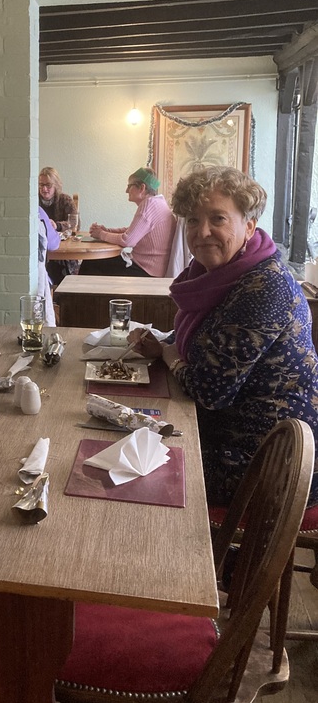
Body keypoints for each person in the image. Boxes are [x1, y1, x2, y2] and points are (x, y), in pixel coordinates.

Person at [132, 166, 318, 508]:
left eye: (218, 219)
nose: (202, 232)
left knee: (135, 472)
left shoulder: (266, 287)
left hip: (266, 461)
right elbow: (209, 339)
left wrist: (168, 355)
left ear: (248, 226)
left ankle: (172, 559)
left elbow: (210, 391)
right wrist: (166, 344)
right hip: (226, 435)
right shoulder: (217, 274)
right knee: (126, 434)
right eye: (192, 220)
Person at [80, 166, 176, 277]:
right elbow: (132, 231)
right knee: (95, 262)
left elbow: (128, 240)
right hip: (150, 268)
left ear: (142, 188)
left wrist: (101, 234)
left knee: (90, 262)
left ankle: (79, 294)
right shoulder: (157, 203)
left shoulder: (149, 205)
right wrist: (108, 230)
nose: (126, 191)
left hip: (145, 271)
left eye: (129, 186)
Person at [38, 166, 80, 285]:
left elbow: (75, 222)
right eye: (41, 185)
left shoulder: (65, 200)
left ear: (56, 185)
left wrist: (57, 225)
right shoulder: (33, 200)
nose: (44, 189)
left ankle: (57, 296)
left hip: (62, 251)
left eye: (48, 185)